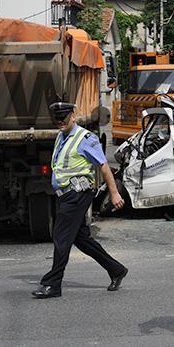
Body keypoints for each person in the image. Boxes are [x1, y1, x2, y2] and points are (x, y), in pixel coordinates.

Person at [32, 102, 129, 299]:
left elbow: (104, 166)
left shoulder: (85, 138)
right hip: (66, 195)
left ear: (73, 116)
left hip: (77, 194)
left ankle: (53, 284)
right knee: (81, 239)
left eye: (64, 119)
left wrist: (114, 193)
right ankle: (116, 269)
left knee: (61, 237)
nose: (60, 122)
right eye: (57, 120)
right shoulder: (61, 136)